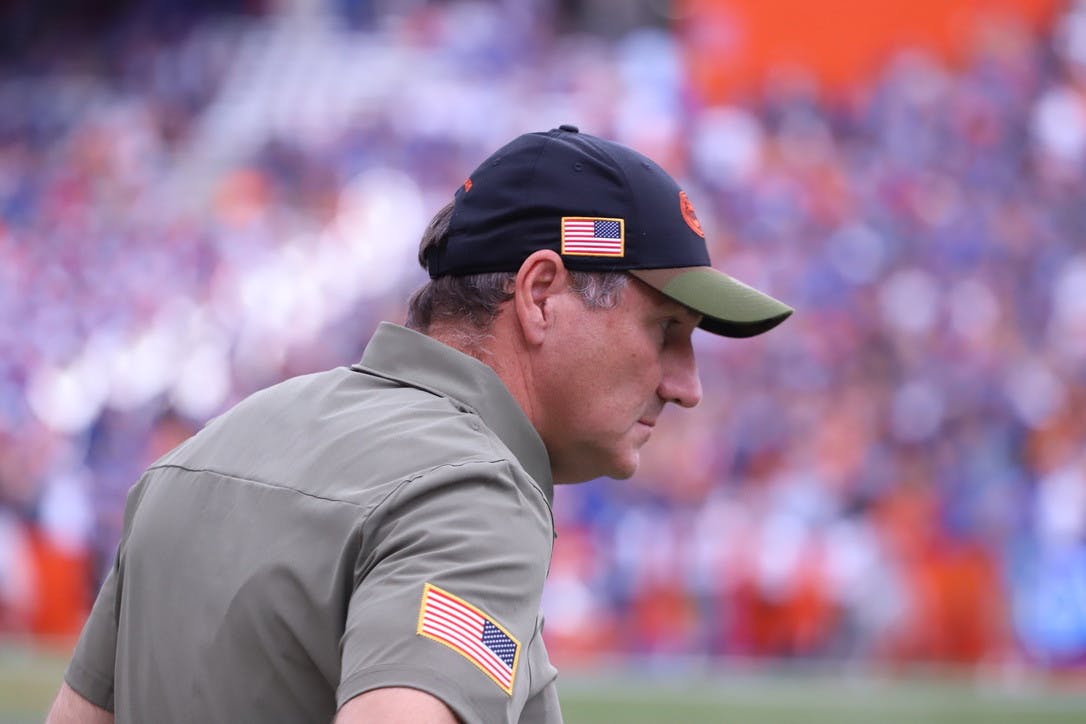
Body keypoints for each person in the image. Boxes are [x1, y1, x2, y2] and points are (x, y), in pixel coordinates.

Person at [46, 125, 792, 724]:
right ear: (539, 295)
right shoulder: (473, 490)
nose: (686, 385)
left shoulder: (208, 450)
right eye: (665, 329)